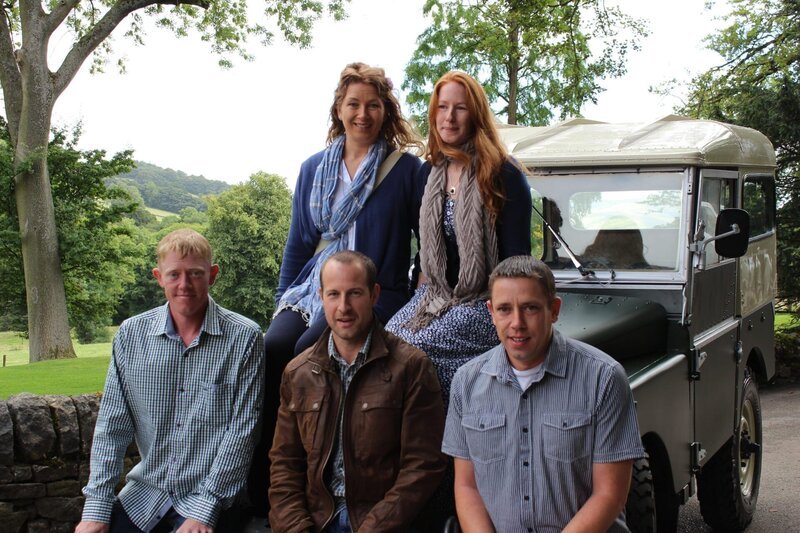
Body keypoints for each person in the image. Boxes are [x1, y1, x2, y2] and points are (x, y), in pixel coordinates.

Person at [253, 63, 425, 516]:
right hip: (314, 288)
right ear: (339, 108)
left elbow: (428, 241)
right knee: (273, 347)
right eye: (354, 104)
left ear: (386, 110)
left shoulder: (405, 171)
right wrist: (282, 302)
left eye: (373, 105)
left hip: (373, 293)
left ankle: (321, 483)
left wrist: (418, 292)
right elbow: (298, 244)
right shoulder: (314, 168)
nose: (362, 114)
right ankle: (265, 488)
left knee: (310, 350)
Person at [76, 229, 265, 533]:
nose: (184, 285)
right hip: (145, 494)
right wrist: (96, 509)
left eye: (195, 274)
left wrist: (205, 509)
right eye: (174, 274)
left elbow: (242, 432)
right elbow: (113, 425)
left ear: (213, 275)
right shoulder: (130, 335)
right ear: (158, 276)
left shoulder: (244, 337)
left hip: (211, 497)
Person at [442, 255, 645, 532]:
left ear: (555, 309)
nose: (517, 322)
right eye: (504, 309)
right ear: (491, 312)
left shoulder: (604, 377)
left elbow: (609, 494)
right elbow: (467, 486)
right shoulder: (466, 382)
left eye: (530, 308)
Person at [268, 251, 446, 532]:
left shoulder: (410, 368)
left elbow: (423, 467)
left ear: (374, 295)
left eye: (354, 293)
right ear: (321, 297)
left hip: (381, 524)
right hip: (314, 521)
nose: (343, 307)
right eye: (334, 294)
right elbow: (284, 467)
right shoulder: (298, 373)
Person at [385, 70, 532, 403]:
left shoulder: (503, 173)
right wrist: (418, 302)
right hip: (436, 296)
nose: (449, 117)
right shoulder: (429, 172)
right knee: (387, 343)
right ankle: (413, 444)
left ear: (475, 114)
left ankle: (452, 435)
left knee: (416, 349)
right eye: (442, 107)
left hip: (488, 303)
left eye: (460, 108)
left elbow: (517, 263)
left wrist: (502, 312)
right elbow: (426, 256)